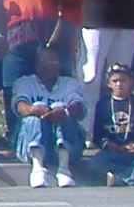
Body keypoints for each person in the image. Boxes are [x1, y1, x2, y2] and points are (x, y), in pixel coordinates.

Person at [10, 42, 88, 188]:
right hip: (30, 147)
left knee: (61, 108)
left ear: (60, 65)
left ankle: (64, 169)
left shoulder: (69, 83)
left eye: (53, 61)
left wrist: (63, 111)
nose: (47, 65)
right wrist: (36, 110)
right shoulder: (24, 82)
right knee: (33, 116)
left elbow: (78, 107)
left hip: (66, 147)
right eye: (43, 61)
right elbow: (20, 106)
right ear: (36, 64)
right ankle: (37, 168)